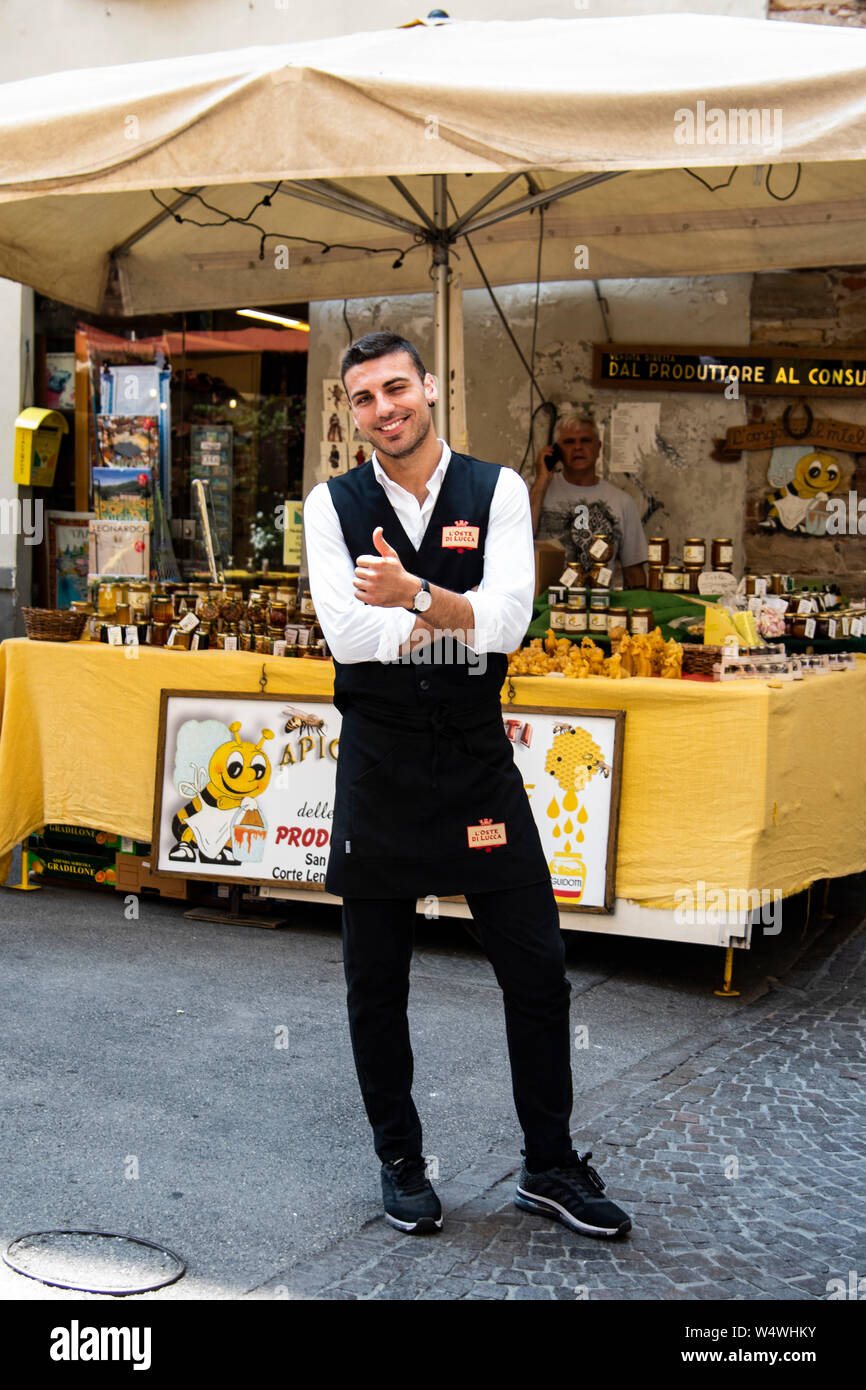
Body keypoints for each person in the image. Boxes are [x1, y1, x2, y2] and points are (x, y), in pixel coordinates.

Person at [303, 330, 631, 1240]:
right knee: (377, 982)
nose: (384, 410)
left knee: (538, 969)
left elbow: (509, 623)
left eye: (396, 389)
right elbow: (348, 641)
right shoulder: (328, 505)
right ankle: (402, 1164)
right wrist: (450, 613)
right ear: (352, 412)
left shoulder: (500, 492)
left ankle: (551, 1166)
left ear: (431, 389)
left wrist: (409, 596)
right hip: (380, 763)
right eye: (364, 398)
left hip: (476, 763)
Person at [530, 416, 649, 588]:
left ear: (598, 447)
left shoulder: (622, 502)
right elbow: (521, 537)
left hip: (602, 606)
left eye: (585, 441)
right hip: (547, 605)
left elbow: (634, 572)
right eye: (569, 442)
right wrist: (541, 480)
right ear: (556, 450)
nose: (578, 447)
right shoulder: (537, 490)